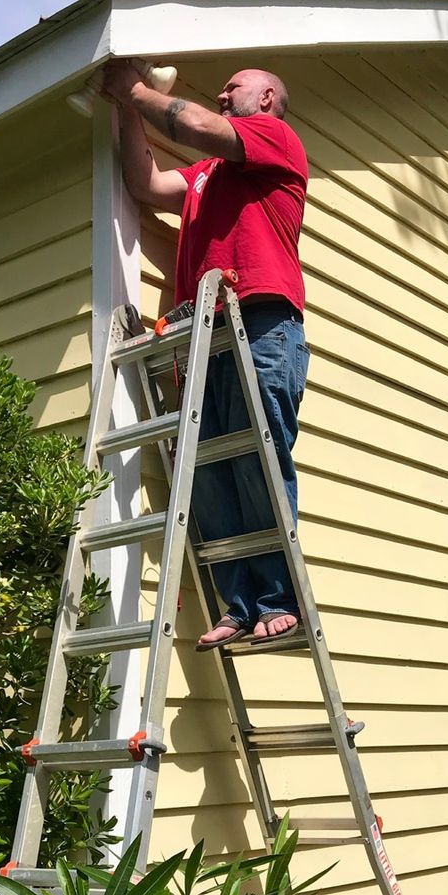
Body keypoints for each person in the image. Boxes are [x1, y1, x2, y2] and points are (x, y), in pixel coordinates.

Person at [100, 62, 309, 650]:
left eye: (233, 87)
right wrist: (125, 109)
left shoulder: (275, 140)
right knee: (210, 474)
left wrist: (135, 89)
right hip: (205, 334)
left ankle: (276, 598)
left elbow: (195, 123)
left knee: (254, 459)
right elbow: (145, 185)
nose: (221, 92)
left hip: (263, 322)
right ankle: (238, 605)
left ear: (266, 96)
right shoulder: (204, 178)